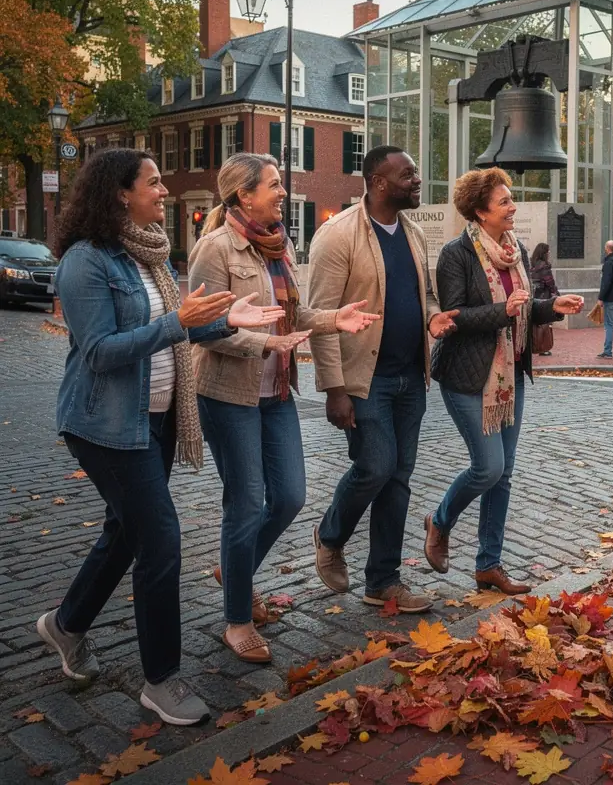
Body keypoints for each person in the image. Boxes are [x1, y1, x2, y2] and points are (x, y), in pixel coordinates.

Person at [37, 149, 283, 725]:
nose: (165, 190)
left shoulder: (148, 254)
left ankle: (66, 624)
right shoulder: (86, 261)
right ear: (121, 193)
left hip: (159, 419)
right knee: (162, 540)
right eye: (153, 181)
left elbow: (178, 330)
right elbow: (98, 353)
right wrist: (183, 322)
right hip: (106, 425)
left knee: (126, 533)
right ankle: (161, 680)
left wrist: (228, 322)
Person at [189, 153, 380, 663]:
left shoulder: (281, 245)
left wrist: (333, 318)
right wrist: (262, 344)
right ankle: (236, 619)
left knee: (291, 497)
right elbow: (201, 329)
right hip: (228, 394)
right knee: (247, 502)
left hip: (275, 394)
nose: (282, 190)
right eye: (273, 185)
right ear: (243, 195)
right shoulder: (215, 248)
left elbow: (291, 314)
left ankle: (236, 571)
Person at [307, 146, 458, 613]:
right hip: (362, 378)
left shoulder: (414, 233)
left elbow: (425, 295)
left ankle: (383, 580)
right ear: (378, 182)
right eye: (408, 175)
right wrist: (334, 389)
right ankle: (330, 535)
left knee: (398, 477)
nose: (417, 181)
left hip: (411, 376)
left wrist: (433, 319)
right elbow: (318, 316)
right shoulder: (338, 235)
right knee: (375, 466)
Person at [423, 169, 584, 593]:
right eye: (505, 202)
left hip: (509, 374)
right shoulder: (456, 255)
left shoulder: (517, 250)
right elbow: (454, 316)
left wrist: (552, 307)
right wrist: (505, 312)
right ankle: (439, 521)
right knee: (488, 467)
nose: (513, 207)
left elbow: (524, 306)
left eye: (512, 200)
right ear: (480, 211)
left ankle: (488, 565)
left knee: (505, 474)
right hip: (467, 377)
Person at [529, 242, 559, 356]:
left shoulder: (531, 264)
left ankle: (533, 344)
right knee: (545, 322)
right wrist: (556, 295)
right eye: (548, 251)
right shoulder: (544, 266)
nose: (549, 253)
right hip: (544, 295)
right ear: (544, 253)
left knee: (534, 323)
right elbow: (550, 282)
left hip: (534, 294)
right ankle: (543, 346)